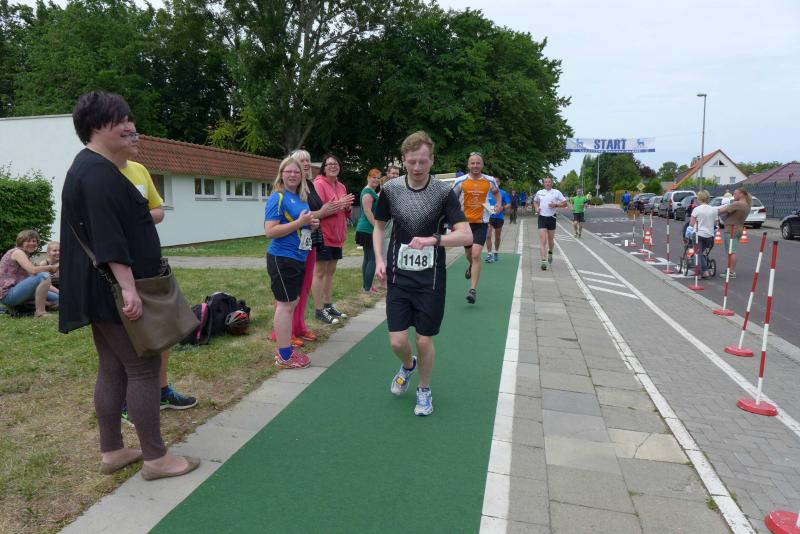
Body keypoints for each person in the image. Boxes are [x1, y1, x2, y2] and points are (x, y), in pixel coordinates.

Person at [60, 91, 199, 480]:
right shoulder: (98, 174)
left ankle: (113, 451)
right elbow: (108, 238)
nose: (129, 126)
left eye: (128, 118)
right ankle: (156, 459)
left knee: (112, 366)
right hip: (115, 289)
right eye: (119, 120)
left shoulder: (92, 168)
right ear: (94, 126)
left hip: (102, 287)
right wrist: (128, 288)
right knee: (143, 367)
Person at [373, 131, 471, 416]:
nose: (417, 167)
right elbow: (379, 227)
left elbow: (465, 235)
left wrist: (434, 240)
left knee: (424, 340)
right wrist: (379, 259)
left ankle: (424, 389)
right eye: (412, 161)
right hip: (399, 276)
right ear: (404, 160)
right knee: (397, 341)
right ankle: (408, 365)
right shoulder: (391, 190)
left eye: (423, 161)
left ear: (432, 160)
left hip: (431, 279)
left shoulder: (443, 193)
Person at [116, 124, 197, 421]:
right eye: (130, 134)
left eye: (136, 134)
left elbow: (159, 211)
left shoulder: (139, 170)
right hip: (119, 267)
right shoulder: (102, 174)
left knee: (164, 329)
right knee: (130, 336)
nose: (136, 139)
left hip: (150, 264)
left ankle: (162, 391)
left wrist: (136, 217)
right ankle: (128, 401)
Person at [269, 149, 339, 346]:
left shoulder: (307, 186)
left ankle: (299, 326)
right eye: (301, 161)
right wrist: (321, 213)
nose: (306, 164)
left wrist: (313, 221)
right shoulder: (285, 193)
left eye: (307, 160)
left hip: (308, 242)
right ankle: (285, 333)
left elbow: (307, 214)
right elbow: (281, 224)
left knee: (304, 288)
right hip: (289, 248)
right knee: (288, 295)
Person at [265, 156, 321, 369]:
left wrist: (310, 225)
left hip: (297, 257)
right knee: (285, 305)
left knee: (291, 303)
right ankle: (284, 356)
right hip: (282, 258)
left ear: (302, 176)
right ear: (281, 174)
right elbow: (270, 231)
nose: (293, 175)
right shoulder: (277, 197)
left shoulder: (299, 198)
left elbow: (299, 226)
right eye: (288, 171)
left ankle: (286, 350)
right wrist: (300, 222)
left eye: (296, 172)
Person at [451, 152, 501, 304]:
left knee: (476, 254)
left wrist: (498, 204)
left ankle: (472, 290)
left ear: (482, 165)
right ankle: (472, 266)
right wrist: (452, 217)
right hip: (464, 223)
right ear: (468, 165)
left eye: (478, 163)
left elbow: (496, 193)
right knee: (469, 254)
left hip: (481, 222)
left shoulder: (489, 180)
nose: (475, 166)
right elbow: (451, 199)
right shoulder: (460, 181)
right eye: (472, 163)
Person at [311, 154, 354, 325]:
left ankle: (328, 305)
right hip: (324, 234)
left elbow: (345, 212)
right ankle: (318, 310)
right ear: (323, 167)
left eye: (336, 164)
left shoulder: (341, 186)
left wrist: (347, 207)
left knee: (331, 272)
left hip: (338, 235)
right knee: (320, 272)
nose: (333, 166)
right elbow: (320, 210)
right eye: (329, 164)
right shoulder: (319, 184)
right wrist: (340, 203)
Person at [1, 230, 59, 316]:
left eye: (34, 241)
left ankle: (24, 306)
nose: (32, 243)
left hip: (20, 291)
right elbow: (33, 270)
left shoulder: (25, 255)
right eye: (28, 241)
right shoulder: (17, 252)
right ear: (21, 242)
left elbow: (40, 281)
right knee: (44, 275)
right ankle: (40, 311)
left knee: (58, 299)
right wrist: (50, 267)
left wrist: (59, 292)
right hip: (8, 294)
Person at [355, 169, 381, 292]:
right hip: (367, 229)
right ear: (368, 178)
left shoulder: (371, 191)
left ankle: (366, 286)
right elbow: (367, 211)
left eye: (378, 178)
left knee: (367, 258)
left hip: (366, 228)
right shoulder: (367, 192)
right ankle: (367, 288)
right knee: (373, 259)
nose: (376, 180)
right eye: (373, 177)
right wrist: (377, 227)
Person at [717, 187, 752, 278]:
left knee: (731, 251)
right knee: (731, 250)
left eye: (735, 193)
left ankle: (731, 272)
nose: (733, 195)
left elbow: (722, 210)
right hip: (738, 228)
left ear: (741, 194)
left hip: (731, 229)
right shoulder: (747, 205)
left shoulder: (738, 204)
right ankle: (729, 270)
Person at [533, 177, 567, 270]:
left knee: (550, 240)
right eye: (546, 182)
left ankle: (550, 252)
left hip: (552, 218)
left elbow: (565, 203)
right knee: (543, 240)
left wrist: (556, 205)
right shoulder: (539, 192)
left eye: (549, 182)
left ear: (552, 183)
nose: (547, 183)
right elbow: (535, 201)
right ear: (543, 184)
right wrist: (536, 208)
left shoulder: (556, 192)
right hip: (542, 218)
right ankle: (543, 261)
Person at [689, 191, 717, 278]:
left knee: (698, 253)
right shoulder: (713, 210)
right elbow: (715, 223)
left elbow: (691, 223)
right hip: (709, 235)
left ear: (699, 198)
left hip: (698, 234)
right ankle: (705, 270)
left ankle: (702, 272)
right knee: (702, 253)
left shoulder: (696, 209)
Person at [484, 178, 511, 263]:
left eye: (497, 181)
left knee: (497, 237)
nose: (495, 183)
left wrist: (502, 207)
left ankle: (496, 252)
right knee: (488, 235)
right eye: (493, 181)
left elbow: (509, 204)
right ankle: (489, 254)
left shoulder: (503, 193)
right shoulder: (486, 192)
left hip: (499, 217)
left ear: (499, 183)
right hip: (489, 217)